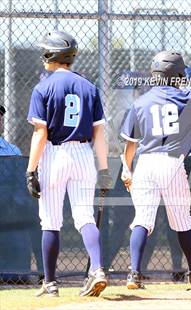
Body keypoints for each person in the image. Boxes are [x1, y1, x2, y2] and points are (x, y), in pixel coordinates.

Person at [120, 51, 191, 289]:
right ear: (180, 74)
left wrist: (126, 169)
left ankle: (133, 273)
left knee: (142, 219)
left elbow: (129, 145)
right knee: (182, 220)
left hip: (145, 164)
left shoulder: (140, 102)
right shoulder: (187, 96)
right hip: (171, 162)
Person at [26, 31, 112, 297]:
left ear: (53, 54)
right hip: (84, 155)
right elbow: (99, 133)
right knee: (85, 217)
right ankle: (97, 269)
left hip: (55, 154)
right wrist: (104, 169)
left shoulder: (43, 87)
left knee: (50, 220)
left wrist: (31, 170)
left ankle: (50, 284)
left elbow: (40, 134)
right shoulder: (89, 87)